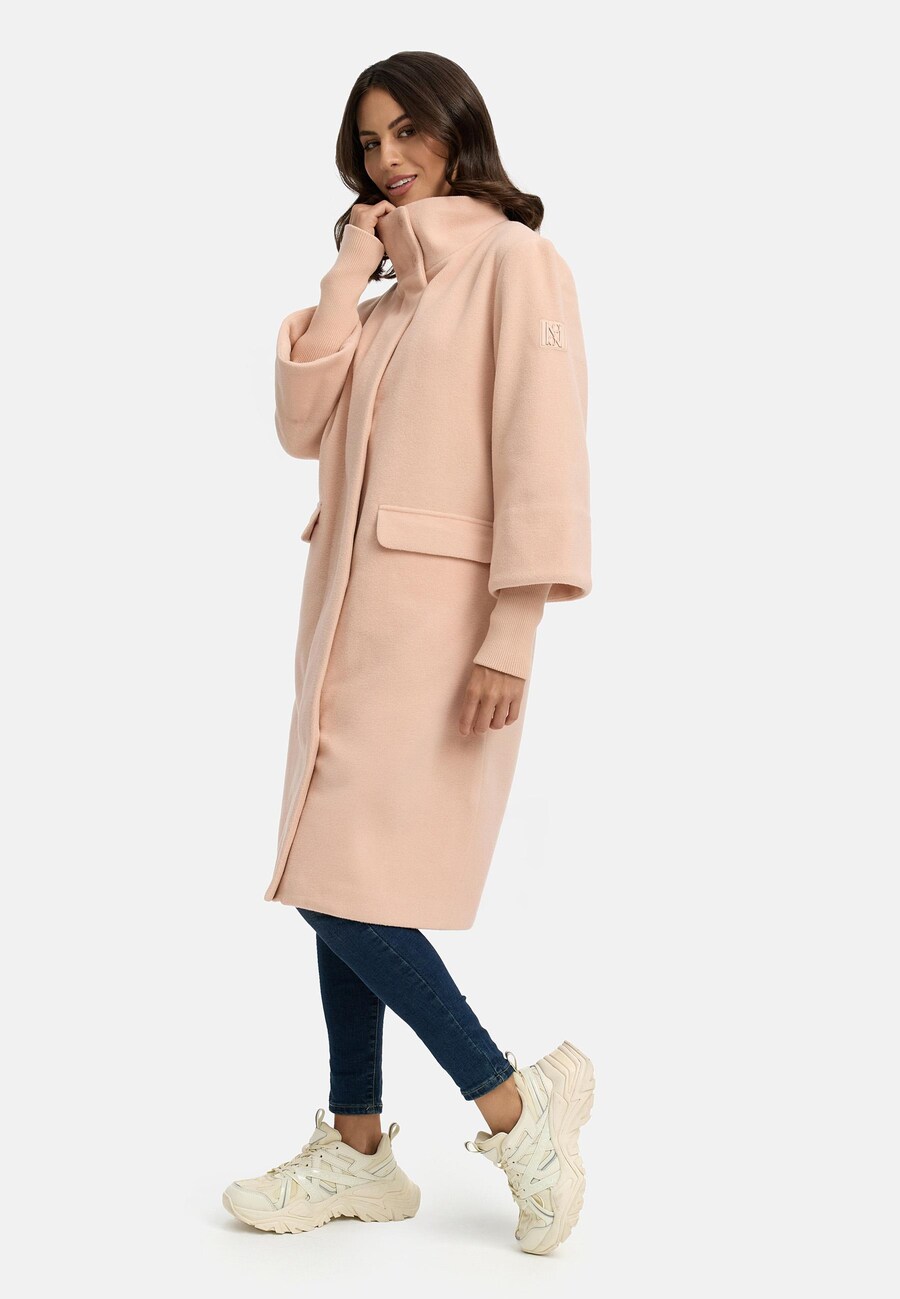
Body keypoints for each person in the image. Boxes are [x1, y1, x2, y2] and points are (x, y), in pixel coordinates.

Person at [223, 51, 594, 1256]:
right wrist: (349, 270)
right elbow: (299, 425)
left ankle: (513, 1107)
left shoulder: (515, 262)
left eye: (407, 133)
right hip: (344, 621)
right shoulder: (383, 303)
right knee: (342, 874)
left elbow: (543, 448)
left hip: (440, 631)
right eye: (369, 143)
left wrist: (513, 633)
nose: (388, 159)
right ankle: (360, 1149)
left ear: (456, 129)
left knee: (336, 877)